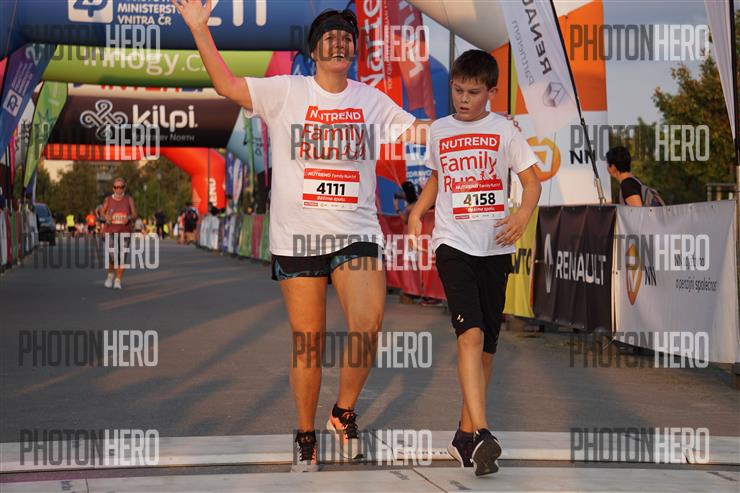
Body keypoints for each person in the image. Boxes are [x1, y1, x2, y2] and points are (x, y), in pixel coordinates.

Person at [176, 0, 428, 472]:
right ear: (314, 51)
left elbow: (418, 132)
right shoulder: (286, 91)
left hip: (355, 232)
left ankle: (343, 412)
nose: (340, 44)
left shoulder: (369, 99)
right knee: (308, 342)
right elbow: (227, 85)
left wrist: (478, 128)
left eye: (346, 38)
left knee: (368, 324)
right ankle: (305, 434)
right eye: (330, 38)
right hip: (298, 238)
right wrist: (199, 29)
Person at [408, 50, 542, 477]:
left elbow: (532, 183)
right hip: (453, 243)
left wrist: (521, 216)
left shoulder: (505, 130)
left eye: (473, 92)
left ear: (491, 92)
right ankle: (483, 432)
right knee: (470, 334)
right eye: (458, 90)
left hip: (495, 247)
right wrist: (418, 211)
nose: (463, 99)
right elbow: (437, 177)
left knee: (486, 349)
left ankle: (465, 436)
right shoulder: (439, 130)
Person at [101, 177, 138, 289]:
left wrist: (129, 218)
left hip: (125, 230)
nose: (118, 189)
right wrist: (106, 217)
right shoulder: (108, 199)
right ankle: (110, 276)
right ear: (113, 188)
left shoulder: (128, 199)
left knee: (122, 256)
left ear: (124, 188)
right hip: (110, 231)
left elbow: (135, 214)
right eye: (116, 187)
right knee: (112, 255)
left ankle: (118, 280)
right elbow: (102, 211)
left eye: (121, 187)